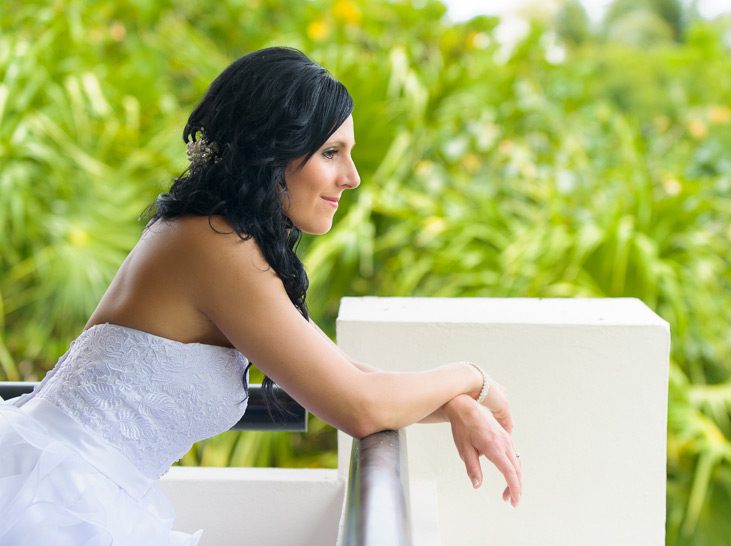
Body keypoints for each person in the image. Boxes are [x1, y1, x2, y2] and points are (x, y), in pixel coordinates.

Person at [0, 47, 521, 545]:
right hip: (54, 500)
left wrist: (456, 403)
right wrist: (473, 377)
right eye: (331, 152)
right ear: (273, 153)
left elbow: (347, 378)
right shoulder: (213, 245)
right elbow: (359, 407)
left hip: (75, 489)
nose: (353, 177)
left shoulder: (218, 237)